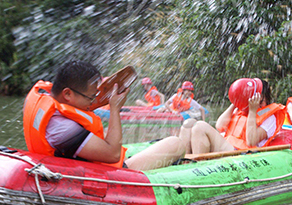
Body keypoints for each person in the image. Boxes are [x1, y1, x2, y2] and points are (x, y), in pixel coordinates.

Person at [23, 61, 185, 171]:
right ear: (67, 94)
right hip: (114, 172)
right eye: (90, 97)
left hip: (81, 161)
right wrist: (115, 108)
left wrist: (96, 101)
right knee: (175, 143)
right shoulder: (62, 128)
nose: (93, 101)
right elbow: (113, 154)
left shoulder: (48, 101)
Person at [179, 78, 286, 154]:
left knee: (200, 126)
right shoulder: (240, 109)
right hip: (227, 146)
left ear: (263, 96)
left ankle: (198, 168)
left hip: (241, 153)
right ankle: (186, 162)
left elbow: (251, 141)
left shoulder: (270, 118)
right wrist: (236, 102)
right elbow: (219, 126)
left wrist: (253, 111)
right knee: (188, 124)